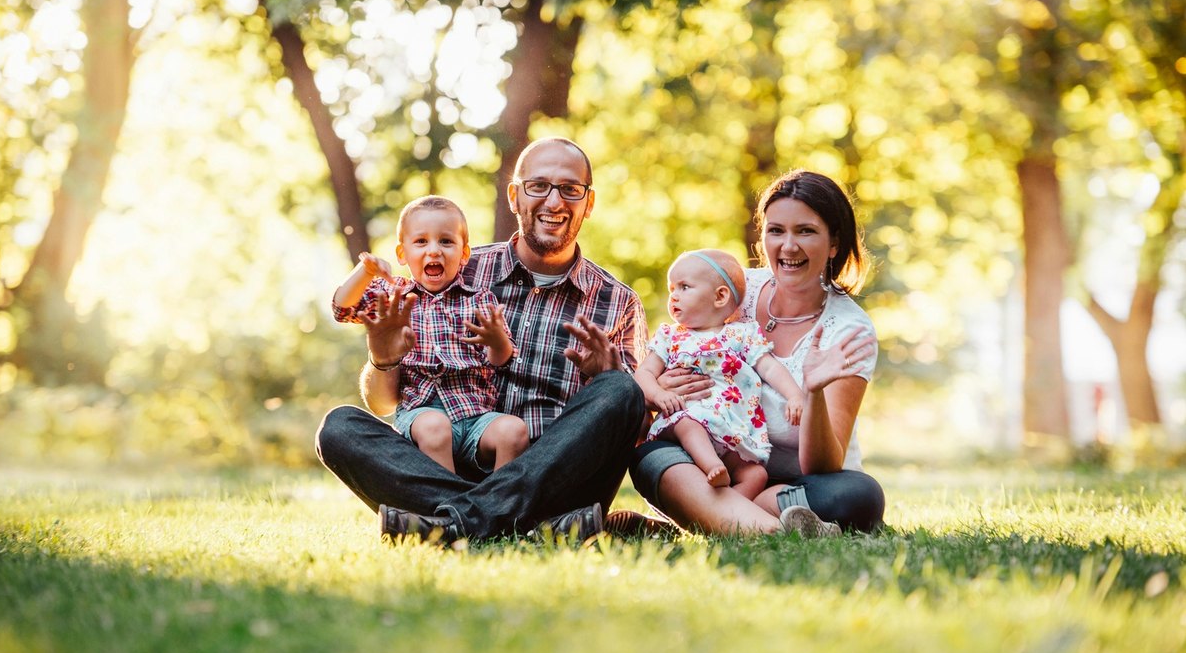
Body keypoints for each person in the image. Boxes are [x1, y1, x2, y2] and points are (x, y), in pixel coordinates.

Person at [315, 137, 650, 545]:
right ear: (514, 195)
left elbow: (633, 432)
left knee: (621, 389)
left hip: (555, 483)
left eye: (570, 189)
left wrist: (606, 377)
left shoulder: (619, 302)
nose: (554, 201)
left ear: (588, 202)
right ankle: (521, 528)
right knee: (338, 428)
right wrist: (383, 357)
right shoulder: (456, 269)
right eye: (538, 185)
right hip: (448, 467)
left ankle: (451, 524)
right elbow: (385, 405)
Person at [630, 170, 886, 537]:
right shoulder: (735, 291)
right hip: (711, 465)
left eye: (806, 231)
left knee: (860, 496)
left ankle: (726, 517)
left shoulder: (848, 330)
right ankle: (773, 527)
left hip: (794, 484)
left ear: (834, 243)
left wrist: (811, 392)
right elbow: (675, 350)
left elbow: (822, 465)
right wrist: (665, 385)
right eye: (776, 230)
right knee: (651, 457)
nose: (788, 246)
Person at [331, 195, 529, 474]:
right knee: (435, 428)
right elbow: (342, 308)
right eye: (421, 241)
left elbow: (500, 360)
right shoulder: (393, 296)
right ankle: (445, 508)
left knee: (514, 430)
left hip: (476, 416)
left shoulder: (479, 299)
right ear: (402, 254)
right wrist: (365, 271)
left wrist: (499, 343)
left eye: (446, 241)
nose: (434, 250)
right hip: (421, 413)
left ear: (464, 253)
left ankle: (500, 509)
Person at [633, 248, 804, 500]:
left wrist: (794, 395)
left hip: (731, 429)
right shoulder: (671, 337)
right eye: (671, 289)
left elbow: (769, 367)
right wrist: (658, 393)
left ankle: (731, 516)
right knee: (689, 424)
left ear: (720, 296)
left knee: (756, 475)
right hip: (686, 417)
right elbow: (644, 372)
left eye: (684, 287)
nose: (674, 297)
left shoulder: (742, 335)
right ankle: (711, 465)